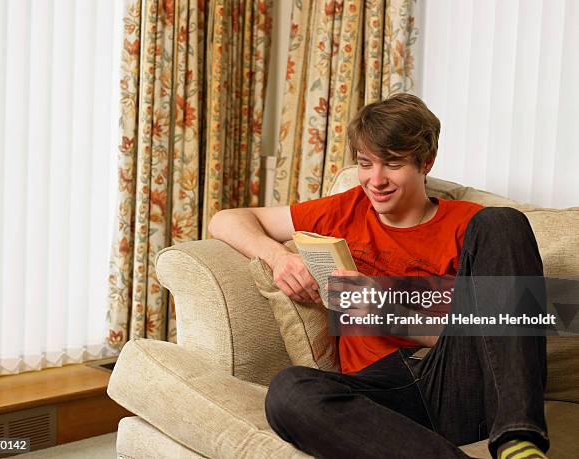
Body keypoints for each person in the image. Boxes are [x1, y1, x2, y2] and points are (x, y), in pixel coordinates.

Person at [208, 94, 548, 459]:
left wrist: (384, 311)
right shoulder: (345, 209)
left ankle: (518, 442)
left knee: (504, 221)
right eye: (366, 164)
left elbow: (500, 329)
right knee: (289, 390)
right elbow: (225, 219)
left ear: (426, 162)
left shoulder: (471, 226)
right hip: (380, 392)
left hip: (455, 381)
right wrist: (278, 258)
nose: (376, 180)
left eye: (392, 164)